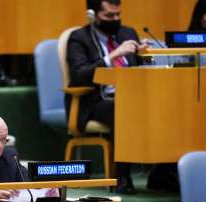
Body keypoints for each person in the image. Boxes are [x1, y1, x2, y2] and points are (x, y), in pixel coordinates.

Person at [66, 0, 146, 194]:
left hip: (133, 97)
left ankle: (163, 175)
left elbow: (141, 69)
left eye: (118, 15)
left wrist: (147, 55)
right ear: (93, 15)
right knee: (123, 109)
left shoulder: (128, 33)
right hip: (96, 101)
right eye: (109, 16)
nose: (115, 20)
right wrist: (111, 57)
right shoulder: (79, 38)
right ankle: (122, 177)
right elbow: (79, 74)